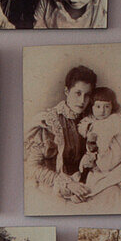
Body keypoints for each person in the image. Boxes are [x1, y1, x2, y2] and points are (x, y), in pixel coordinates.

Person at [25, 64, 96, 202]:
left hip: (84, 182)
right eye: (78, 93)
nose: (82, 101)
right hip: (52, 185)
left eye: (87, 95)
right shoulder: (49, 122)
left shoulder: (90, 119)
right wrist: (67, 183)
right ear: (66, 91)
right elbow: (32, 167)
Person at [76, 86, 121, 192]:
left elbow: (108, 143)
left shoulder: (114, 120)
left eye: (107, 106)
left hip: (112, 154)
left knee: (104, 178)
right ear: (91, 107)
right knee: (87, 173)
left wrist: (98, 160)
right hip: (97, 156)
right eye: (98, 106)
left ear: (112, 106)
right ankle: (83, 186)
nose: (102, 111)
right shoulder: (90, 122)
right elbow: (87, 136)